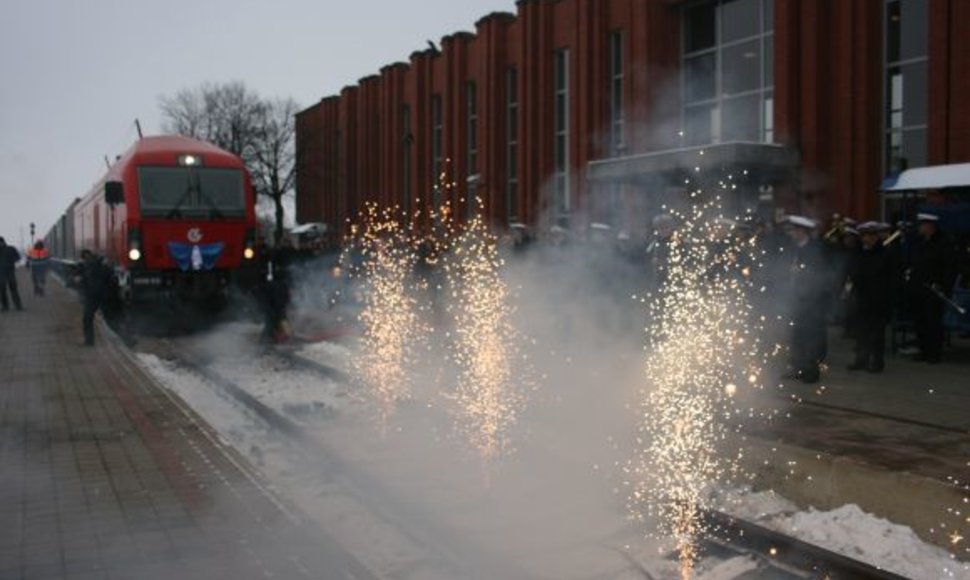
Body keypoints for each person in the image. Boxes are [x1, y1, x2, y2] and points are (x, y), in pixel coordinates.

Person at [784, 215, 829, 383]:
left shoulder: (814, 249)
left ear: (802, 231)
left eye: (794, 230)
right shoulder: (796, 248)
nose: (792, 233)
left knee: (811, 337)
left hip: (811, 301)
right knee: (798, 336)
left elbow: (818, 277)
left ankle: (811, 372)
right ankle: (799, 368)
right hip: (797, 299)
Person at [846, 222, 894, 372]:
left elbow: (892, 278)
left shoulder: (885, 253)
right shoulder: (857, 253)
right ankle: (861, 360)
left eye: (871, 236)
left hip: (878, 299)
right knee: (861, 333)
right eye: (865, 236)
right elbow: (851, 273)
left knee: (877, 334)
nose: (868, 239)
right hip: (861, 298)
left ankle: (877, 362)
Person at [908, 212, 954, 363]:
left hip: (935, 289)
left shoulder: (943, 243)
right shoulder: (919, 242)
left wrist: (944, 285)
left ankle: (934, 353)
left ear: (930, 226)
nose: (920, 228)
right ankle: (923, 350)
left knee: (933, 322)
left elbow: (949, 267)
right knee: (920, 321)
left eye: (922, 225)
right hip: (918, 287)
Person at [76, 249, 114, 346]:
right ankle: (128, 339)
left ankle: (89, 341)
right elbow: (109, 277)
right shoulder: (100, 265)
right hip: (102, 296)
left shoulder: (89, 266)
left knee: (87, 318)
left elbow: (86, 280)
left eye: (84, 258)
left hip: (94, 296)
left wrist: (79, 279)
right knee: (110, 319)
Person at [0, 236, 24, 312]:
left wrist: (12, 261)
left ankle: (18, 306)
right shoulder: (11, 248)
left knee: (13, 289)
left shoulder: (11, 248)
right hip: (1, 274)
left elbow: (18, 257)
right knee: (2, 291)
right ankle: (5, 307)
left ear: (3, 242)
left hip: (10, 272)